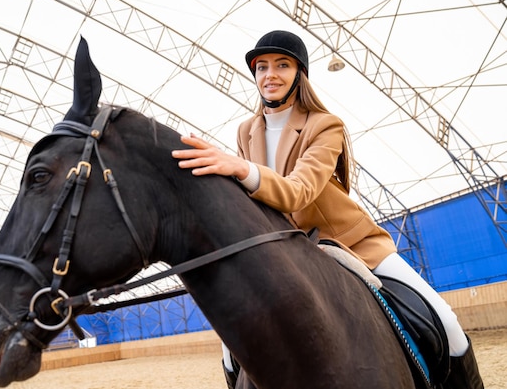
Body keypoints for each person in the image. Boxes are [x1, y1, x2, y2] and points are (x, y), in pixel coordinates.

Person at [171, 30, 484, 389]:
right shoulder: (246, 131)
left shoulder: (326, 125)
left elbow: (298, 192)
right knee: (231, 346)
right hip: (284, 252)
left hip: (351, 245)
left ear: (299, 74)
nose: (269, 75)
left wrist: (240, 168)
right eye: (262, 68)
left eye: (282, 65)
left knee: (447, 323)